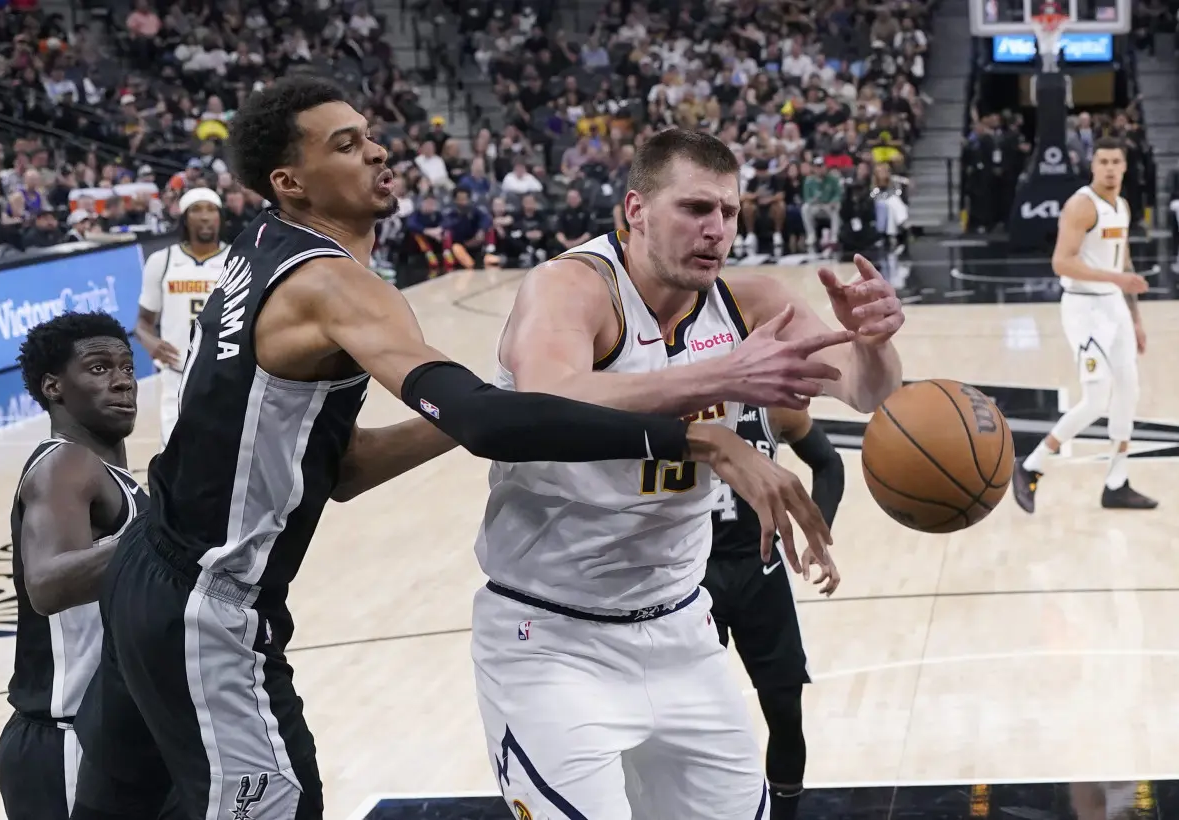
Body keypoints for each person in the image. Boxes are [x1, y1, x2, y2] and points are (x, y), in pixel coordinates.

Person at [68, 78, 849, 820]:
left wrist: (492, 399)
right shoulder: (336, 287)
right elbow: (490, 426)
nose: (377, 152)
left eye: (371, 137)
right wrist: (693, 432)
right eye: (347, 145)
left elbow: (340, 470)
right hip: (211, 599)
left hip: (147, 567)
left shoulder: (256, 249)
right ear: (291, 182)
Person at [471, 129, 904, 819]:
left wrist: (875, 345)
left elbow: (865, 392)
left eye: (729, 213)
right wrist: (716, 386)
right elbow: (542, 400)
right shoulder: (574, 287)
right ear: (637, 210)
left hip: (682, 629)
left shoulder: (748, 302)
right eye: (696, 209)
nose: (717, 231)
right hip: (551, 637)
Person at [0, 312, 174, 819]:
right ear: (54, 387)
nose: (121, 380)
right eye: (98, 369)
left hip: (115, 735)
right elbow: (48, 583)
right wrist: (176, 536)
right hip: (68, 738)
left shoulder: (118, 479)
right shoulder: (65, 463)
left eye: (127, 367)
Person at [703, 406, 845, 820]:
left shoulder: (771, 407)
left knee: (785, 710)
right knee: (697, 716)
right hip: (693, 574)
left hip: (759, 569)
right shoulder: (676, 393)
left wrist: (818, 538)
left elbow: (828, 463)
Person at [1012, 136, 1157, 512]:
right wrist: (1117, 281)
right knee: (1095, 399)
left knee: (1129, 391)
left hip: (1114, 309)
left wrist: (1136, 318)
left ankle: (1117, 482)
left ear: (1124, 167)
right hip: (1083, 309)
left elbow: (1123, 264)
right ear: (1093, 166)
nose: (1109, 168)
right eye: (1103, 161)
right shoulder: (1081, 205)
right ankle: (1031, 466)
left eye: (1116, 161)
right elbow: (1061, 262)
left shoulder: (1121, 206)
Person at [134, 187, 229, 447]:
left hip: (226, 375)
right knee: (176, 454)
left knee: (224, 457)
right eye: (197, 210)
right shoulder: (162, 261)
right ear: (185, 218)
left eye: (211, 210)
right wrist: (150, 342)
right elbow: (142, 323)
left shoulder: (237, 260)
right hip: (177, 373)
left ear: (220, 217)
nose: (206, 217)